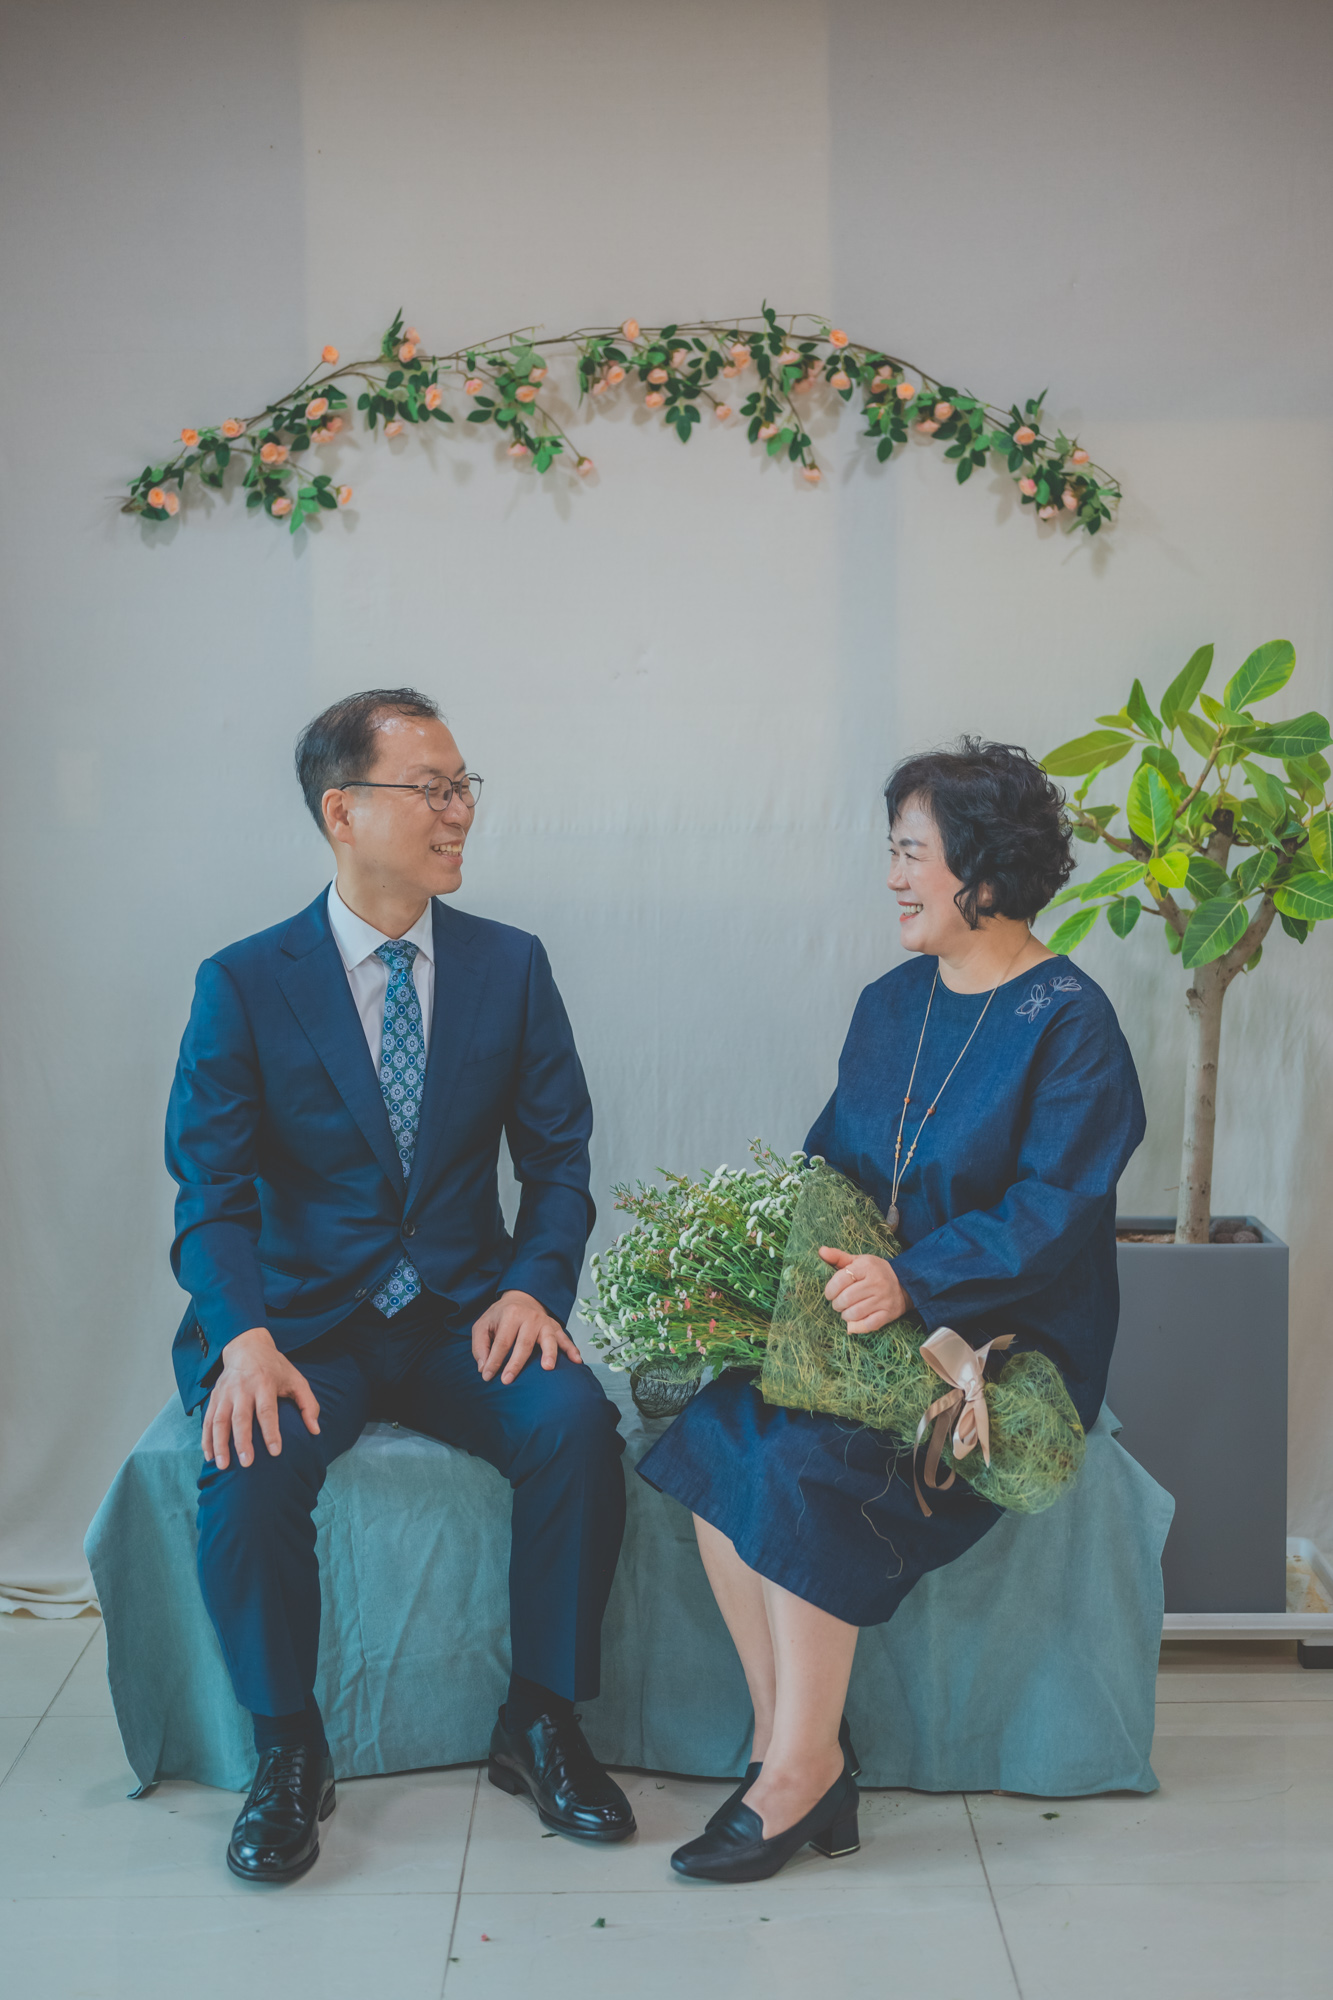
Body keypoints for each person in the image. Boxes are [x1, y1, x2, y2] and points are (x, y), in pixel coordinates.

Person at [639, 738, 1146, 1883]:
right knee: (720, 1429)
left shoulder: (1069, 1020)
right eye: (893, 851)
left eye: (911, 852)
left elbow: (1056, 1209)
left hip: (1001, 1340)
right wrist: (773, 1269)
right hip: (872, 1318)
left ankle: (796, 1771)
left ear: (984, 866)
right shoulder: (888, 1003)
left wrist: (914, 1279)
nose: (892, 876)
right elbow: (834, 1166)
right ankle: (791, 1752)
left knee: (804, 1463)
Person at [166, 688, 634, 1884]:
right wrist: (243, 1339)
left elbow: (559, 1161)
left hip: (460, 1316)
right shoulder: (244, 981)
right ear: (343, 811)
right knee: (248, 1462)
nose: (458, 810)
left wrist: (533, 1289)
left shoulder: (509, 966)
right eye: (431, 787)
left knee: (576, 1423)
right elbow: (209, 1192)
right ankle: (288, 1745)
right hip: (302, 1325)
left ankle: (541, 1717)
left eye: (464, 785)